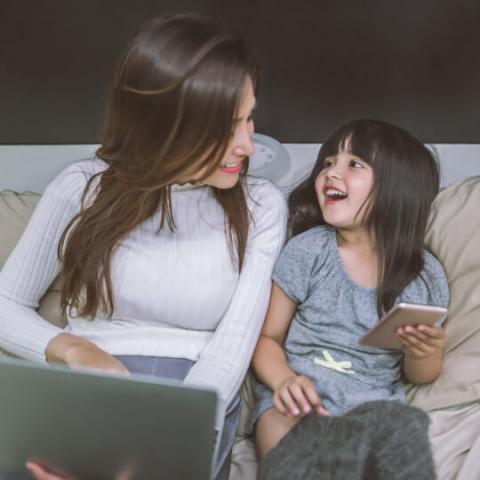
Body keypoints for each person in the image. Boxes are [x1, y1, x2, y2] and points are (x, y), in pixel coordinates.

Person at [0, 14, 287, 479]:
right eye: (226, 127)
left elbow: (232, 349)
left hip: (191, 398)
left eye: (249, 118)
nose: (248, 145)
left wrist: (162, 434)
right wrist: (70, 349)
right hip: (82, 387)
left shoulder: (262, 206)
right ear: (167, 125)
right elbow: (5, 304)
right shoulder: (82, 186)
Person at [251, 119, 449, 479]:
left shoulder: (423, 275)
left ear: (397, 188)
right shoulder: (309, 250)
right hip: (300, 397)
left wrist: (424, 353)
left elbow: (419, 376)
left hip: (372, 407)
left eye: (354, 163)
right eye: (328, 162)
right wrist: (283, 382)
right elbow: (267, 338)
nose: (331, 172)